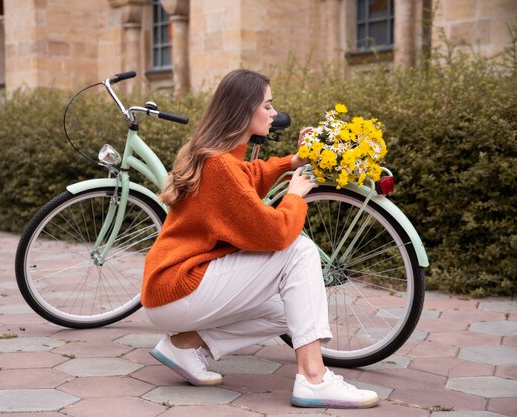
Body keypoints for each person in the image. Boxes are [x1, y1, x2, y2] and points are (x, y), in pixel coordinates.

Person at [141, 69, 379, 409]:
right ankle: (313, 378)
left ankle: (186, 345)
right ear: (244, 111)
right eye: (267, 106)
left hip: (172, 290)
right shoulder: (219, 165)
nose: (273, 113)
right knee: (299, 250)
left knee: (295, 308)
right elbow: (276, 234)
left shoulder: (217, 156)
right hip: (177, 287)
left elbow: (248, 175)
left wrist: (291, 162)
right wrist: (295, 196)